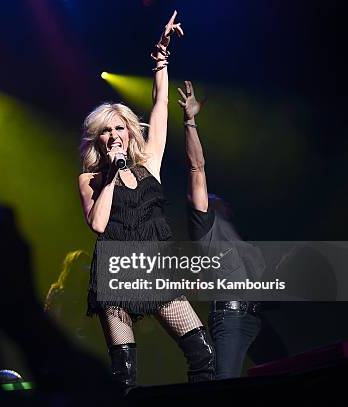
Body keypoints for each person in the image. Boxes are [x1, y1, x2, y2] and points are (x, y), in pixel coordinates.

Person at [78, 11, 214, 394]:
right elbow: (98, 225)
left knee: (202, 354)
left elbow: (158, 107)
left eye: (119, 127)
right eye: (106, 132)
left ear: (129, 132)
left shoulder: (148, 164)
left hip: (154, 267)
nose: (115, 135)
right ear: (98, 141)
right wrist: (110, 176)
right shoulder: (90, 179)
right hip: (116, 270)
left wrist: (161, 61)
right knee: (123, 375)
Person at [178, 80, 263, 379]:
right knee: (224, 382)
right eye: (206, 196)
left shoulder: (236, 232)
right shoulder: (205, 224)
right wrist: (190, 121)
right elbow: (197, 167)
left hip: (255, 317)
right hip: (229, 316)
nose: (212, 196)